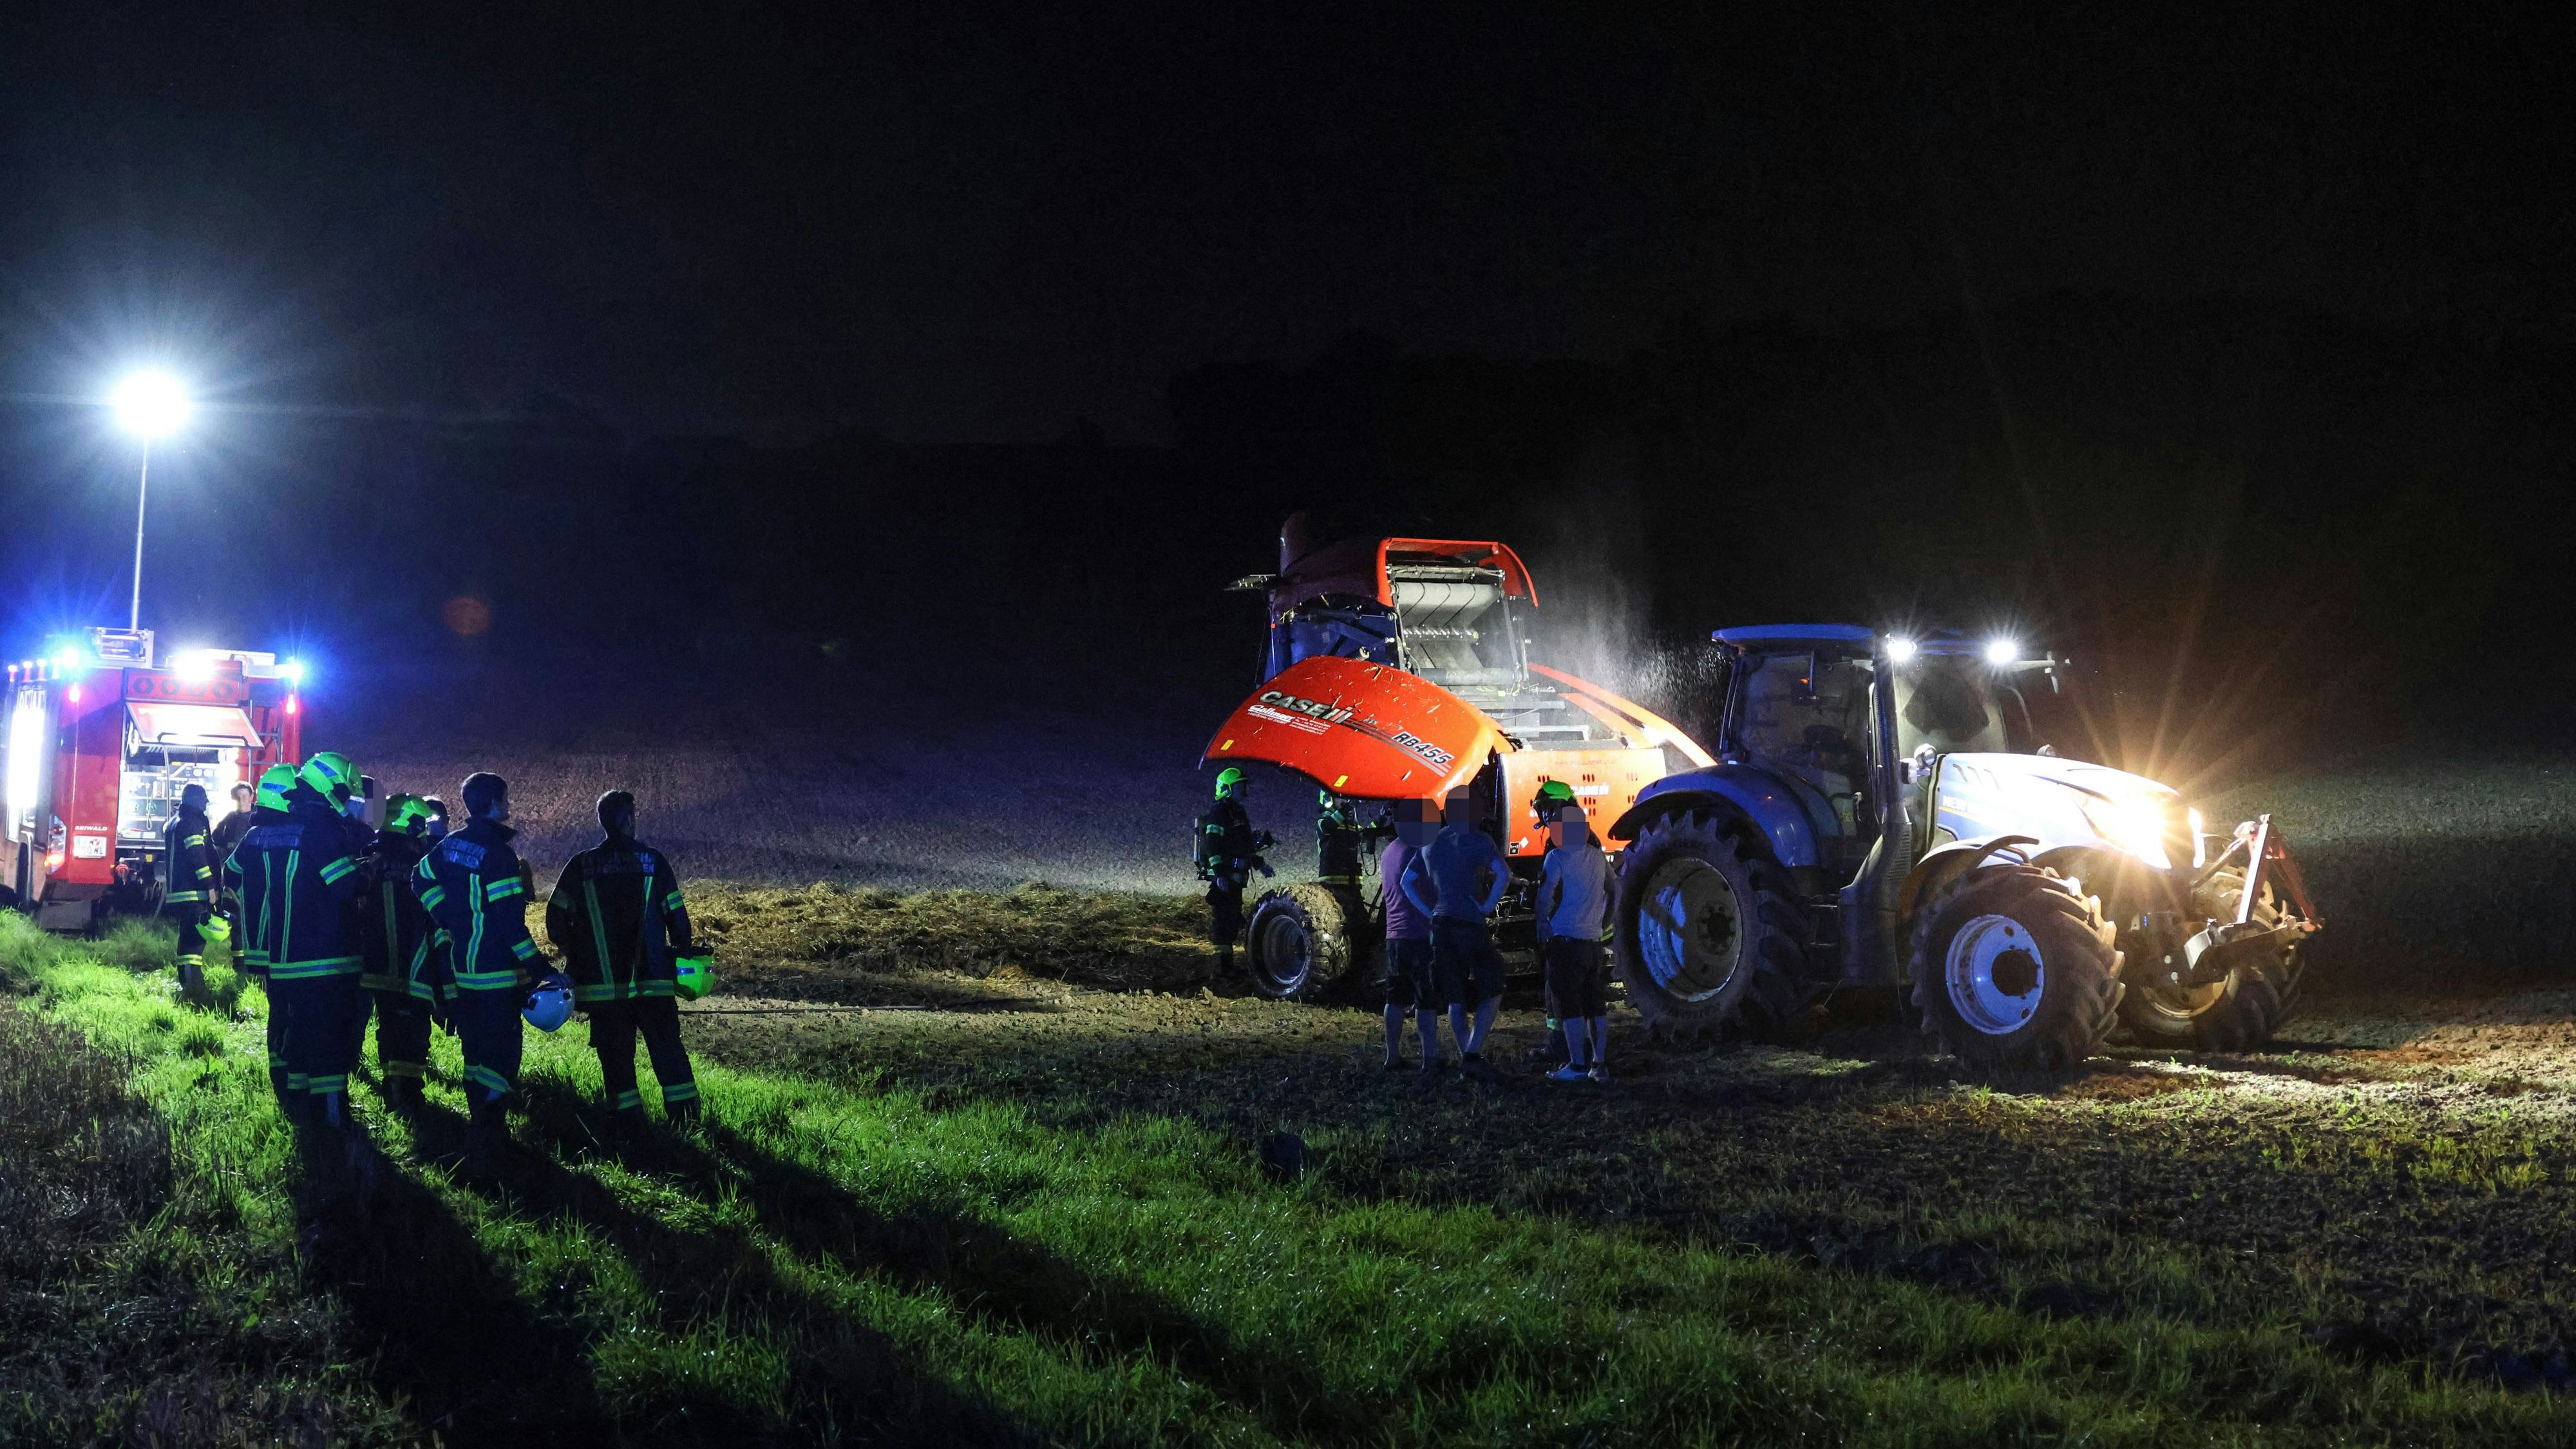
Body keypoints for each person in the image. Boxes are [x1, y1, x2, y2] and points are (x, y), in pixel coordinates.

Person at [232, 751, 375, 1206]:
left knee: (293, 1034)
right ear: (332, 790)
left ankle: (299, 1111)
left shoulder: (270, 830)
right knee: (328, 1040)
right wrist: (368, 872)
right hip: (325, 958)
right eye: (346, 795)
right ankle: (332, 1119)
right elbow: (346, 887)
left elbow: (235, 874)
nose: (349, 803)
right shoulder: (322, 830)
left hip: (282, 957)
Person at [545, 790, 705, 1137]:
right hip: (654, 983)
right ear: (627, 820)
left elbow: (555, 919)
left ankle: (629, 1126)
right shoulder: (653, 862)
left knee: (616, 1058)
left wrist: (578, 952)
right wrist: (682, 953)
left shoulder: (581, 866)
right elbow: (677, 917)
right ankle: (687, 1123)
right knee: (668, 1050)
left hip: (603, 989)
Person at [413, 771, 545, 1179]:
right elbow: (509, 925)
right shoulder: (498, 855)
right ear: (493, 803)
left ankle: (480, 1124)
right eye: (505, 797)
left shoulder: (450, 844)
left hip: (464, 971)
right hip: (496, 974)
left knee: (475, 1053)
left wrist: (446, 917)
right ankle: (489, 1133)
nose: (509, 804)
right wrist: (540, 968)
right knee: (503, 1055)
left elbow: (421, 878)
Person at [1399, 786, 1510, 1074]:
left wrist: (1430, 911)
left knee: (1455, 996)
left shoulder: (1431, 841)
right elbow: (1504, 873)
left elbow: (1406, 882)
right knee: (1494, 986)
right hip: (1469, 924)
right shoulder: (1480, 840)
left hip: (1441, 926)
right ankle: (1472, 1054)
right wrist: (1487, 906)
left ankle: (1467, 1059)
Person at [359, 795, 440, 1117]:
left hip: (375, 965)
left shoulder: (369, 863)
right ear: (412, 826)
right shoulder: (422, 868)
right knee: (414, 1027)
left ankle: (393, 1086)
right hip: (414, 964)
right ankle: (408, 1094)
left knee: (390, 1024)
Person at [225, 763, 301, 1106]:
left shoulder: (253, 837)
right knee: (297, 1009)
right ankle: (297, 1080)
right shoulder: (301, 834)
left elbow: (230, 873)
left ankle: (279, 1075)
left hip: (263, 944)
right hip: (296, 942)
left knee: (278, 1008)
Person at [1537, 804, 1614, 1083]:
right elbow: (1614, 891)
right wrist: (1605, 922)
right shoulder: (1598, 858)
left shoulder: (1556, 857)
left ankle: (1577, 1066)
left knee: (1569, 1005)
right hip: (1593, 943)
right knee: (1596, 1006)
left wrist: (1541, 922)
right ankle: (1599, 1065)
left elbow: (1546, 895)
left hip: (1566, 942)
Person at [1377, 797, 1441, 1072]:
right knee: (1425, 999)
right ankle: (1430, 1059)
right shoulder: (1419, 850)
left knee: (1394, 997)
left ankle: (1392, 1056)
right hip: (1419, 934)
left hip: (1394, 936)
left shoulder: (1388, 852)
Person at [1195, 767, 1272, 970]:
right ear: (1227, 788)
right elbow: (1212, 844)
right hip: (1225, 877)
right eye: (1240, 785)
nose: (1244, 789)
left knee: (1232, 920)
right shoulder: (1220, 811)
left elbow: (1243, 846)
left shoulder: (1238, 812)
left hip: (1235, 878)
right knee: (1223, 923)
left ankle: (1227, 968)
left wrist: (1260, 864)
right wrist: (1219, 874)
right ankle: (1222, 970)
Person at [1527, 779, 1579, 1067]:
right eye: (1542, 809)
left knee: (1561, 989)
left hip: (1566, 927)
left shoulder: (1564, 839)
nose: (1545, 814)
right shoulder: (1579, 836)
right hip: (1569, 925)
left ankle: (1567, 1050)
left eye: (1549, 807)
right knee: (1557, 987)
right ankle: (1564, 1045)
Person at [160, 783, 217, 996]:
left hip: (179, 892)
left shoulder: (175, 822)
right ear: (195, 800)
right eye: (203, 799)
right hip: (193, 892)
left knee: (186, 939)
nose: (205, 804)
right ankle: (195, 988)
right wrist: (210, 884)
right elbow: (197, 857)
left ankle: (187, 984)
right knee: (195, 941)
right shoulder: (192, 822)